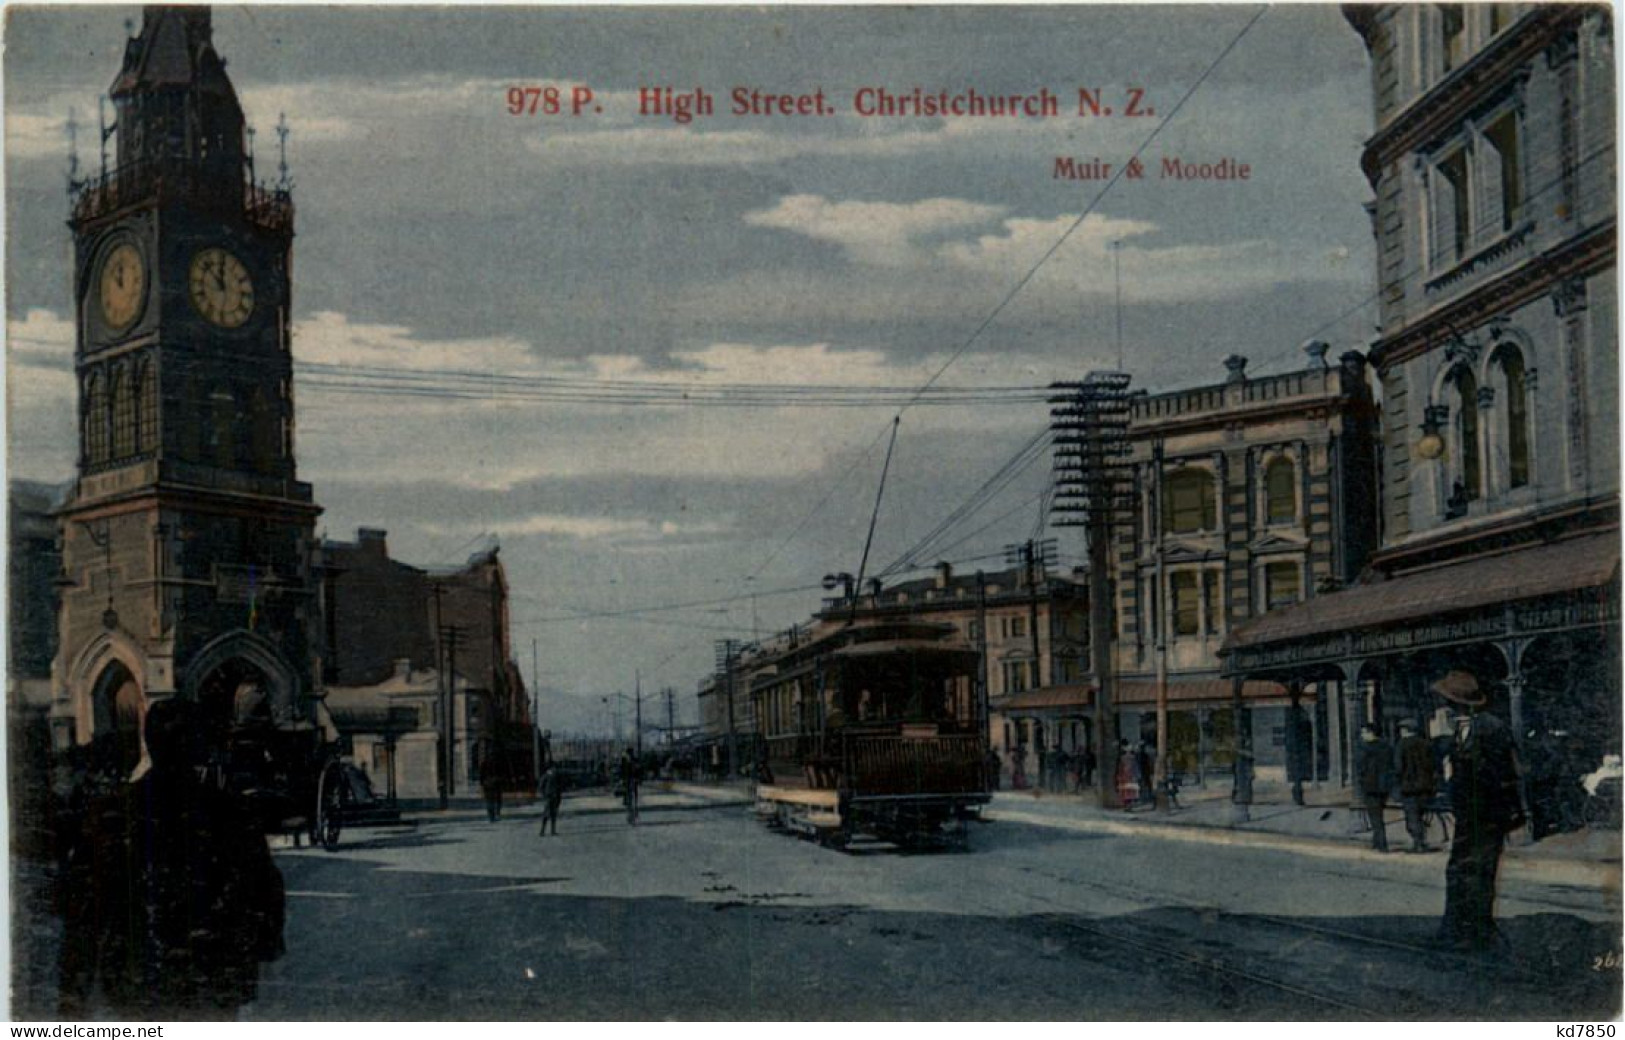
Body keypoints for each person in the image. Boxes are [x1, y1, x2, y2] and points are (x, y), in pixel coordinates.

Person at [58, 699, 285, 1019]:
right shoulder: (230, 812)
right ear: (199, 746)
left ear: (149, 742)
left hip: (137, 978)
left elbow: (82, 907)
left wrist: (73, 993)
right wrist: (256, 954)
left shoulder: (111, 813)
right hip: (211, 979)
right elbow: (265, 891)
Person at [1433, 670, 1523, 951]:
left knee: (1480, 872)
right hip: (1467, 814)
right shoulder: (1460, 729)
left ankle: (1477, 933)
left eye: (1447, 700)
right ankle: (1455, 931)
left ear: (1459, 702)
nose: (1444, 706)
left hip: (1487, 814)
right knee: (1459, 871)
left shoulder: (1492, 728)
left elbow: (1505, 773)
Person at [1397, 719, 1438, 852]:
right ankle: (1422, 841)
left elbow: (1398, 767)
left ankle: (1418, 843)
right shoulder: (1426, 744)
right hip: (1425, 786)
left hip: (1409, 787)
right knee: (1421, 814)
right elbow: (1433, 765)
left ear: (1405, 730)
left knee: (1411, 816)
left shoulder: (1401, 745)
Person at [1356, 723, 1393, 852]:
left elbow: (1361, 768)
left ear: (1371, 733)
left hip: (1370, 786)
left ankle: (1381, 843)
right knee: (1379, 814)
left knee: (1375, 816)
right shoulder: (1387, 747)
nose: (1362, 735)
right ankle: (1377, 841)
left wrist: (1362, 781)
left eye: (1364, 732)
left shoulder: (1365, 749)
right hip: (1384, 786)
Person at [1284, 699, 1313, 806]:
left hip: (1298, 755)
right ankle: (1297, 796)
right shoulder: (1295, 729)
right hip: (1297, 755)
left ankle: (1298, 796)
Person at [537, 764, 562, 836]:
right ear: (550, 769)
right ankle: (542, 831)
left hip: (555, 797)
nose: (555, 770)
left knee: (554, 814)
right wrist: (544, 795)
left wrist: (559, 798)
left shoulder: (557, 776)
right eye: (553, 768)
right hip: (549, 797)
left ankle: (553, 830)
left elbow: (560, 787)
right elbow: (540, 787)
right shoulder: (545, 776)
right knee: (546, 814)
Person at [618, 747, 641, 825]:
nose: (629, 755)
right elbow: (621, 771)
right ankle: (630, 816)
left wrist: (637, 778)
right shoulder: (624, 760)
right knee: (629, 800)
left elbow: (639, 771)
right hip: (627, 781)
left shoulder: (634, 760)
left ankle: (633, 816)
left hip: (632, 782)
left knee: (633, 800)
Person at [1115, 740, 1136, 809]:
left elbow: (1120, 768)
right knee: (1128, 791)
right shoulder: (1132, 758)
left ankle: (1127, 804)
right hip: (1128, 776)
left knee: (1126, 791)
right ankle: (1128, 804)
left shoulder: (1123, 758)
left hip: (1126, 776)